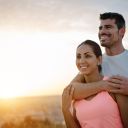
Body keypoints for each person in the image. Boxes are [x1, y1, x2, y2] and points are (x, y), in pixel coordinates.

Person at [65, 12, 128, 127]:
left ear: (122, 31)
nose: (102, 31)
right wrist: (104, 85)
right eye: (100, 28)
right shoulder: (96, 63)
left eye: (108, 27)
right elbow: (72, 90)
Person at [62, 40, 123, 128]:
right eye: (78, 57)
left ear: (99, 60)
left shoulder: (113, 85)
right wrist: (65, 111)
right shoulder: (76, 97)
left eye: (87, 56)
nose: (81, 61)